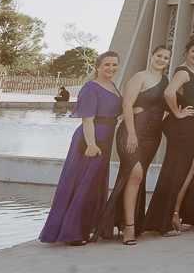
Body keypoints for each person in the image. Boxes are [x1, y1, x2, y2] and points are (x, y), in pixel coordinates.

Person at [39, 51, 122, 245]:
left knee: (94, 184)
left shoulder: (113, 86)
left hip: (106, 137)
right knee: (82, 183)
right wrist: (91, 145)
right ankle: (71, 233)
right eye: (107, 65)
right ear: (97, 66)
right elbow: (87, 119)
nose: (111, 68)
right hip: (91, 138)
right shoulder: (90, 87)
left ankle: (87, 228)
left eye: (114, 65)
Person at [93, 44, 170, 243]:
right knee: (135, 174)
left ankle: (124, 220)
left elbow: (166, 104)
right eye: (159, 56)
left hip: (153, 137)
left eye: (166, 58)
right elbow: (127, 104)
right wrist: (133, 134)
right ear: (151, 56)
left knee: (135, 178)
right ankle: (129, 227)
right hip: (131, 133)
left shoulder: (165, 80)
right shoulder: (139, 77)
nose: (161, 60)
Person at [143, 36, 194, 236]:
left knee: (188, 171)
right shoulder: (183, 72)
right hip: (181, 127)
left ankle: (175, 214)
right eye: (193, 51)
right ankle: (165, 220)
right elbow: (169, 93)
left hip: (192, 126)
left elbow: (193, 99)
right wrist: (178, 113)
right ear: (186, 53)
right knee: (177, 171)